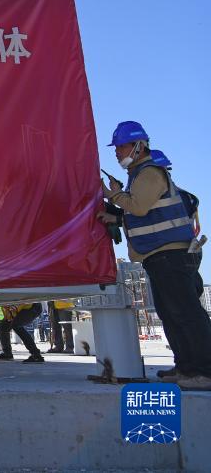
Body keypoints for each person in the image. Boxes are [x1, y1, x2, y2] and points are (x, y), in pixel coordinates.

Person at [99, 122, 210, 390]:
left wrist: (113, 195)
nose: (117, 152)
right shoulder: (137, 176)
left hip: (170, 255)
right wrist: (116, 215)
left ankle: (205, 371)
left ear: (139, 146)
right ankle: (186, 367)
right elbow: (144, 216)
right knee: (170, 313)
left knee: (186, 313)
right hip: (160, 256)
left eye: (122, 146)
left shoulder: (149, 173)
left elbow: (138, 207)